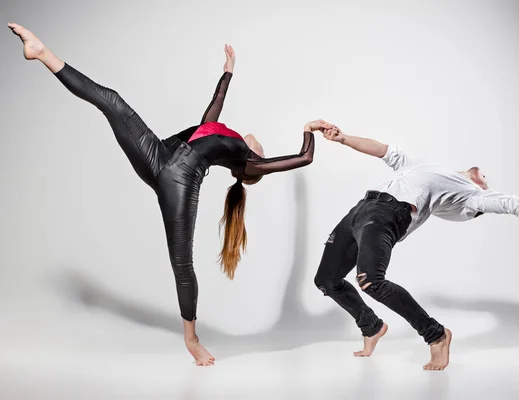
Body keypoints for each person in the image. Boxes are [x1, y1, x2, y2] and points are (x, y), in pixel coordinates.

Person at [8, 22, 333, 366]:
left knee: (182, 264)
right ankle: (41, 53)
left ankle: (191, 339)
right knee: (113, 103)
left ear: (249, 169)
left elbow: (304, 158)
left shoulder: (250, 164)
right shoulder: (218, 130)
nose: (259, 142)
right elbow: (215, 105)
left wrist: (308, 129)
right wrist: (228, 73)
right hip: (158, 154)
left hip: (179, 182)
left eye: (262, 150)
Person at [314, 124, 519, 370]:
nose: (484, 174)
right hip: (359, 211)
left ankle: (436, 335)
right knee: (326, 280)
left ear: (482, 189)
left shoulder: (471, 196)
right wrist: (343, 138)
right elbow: (383, 150)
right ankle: (371, 326)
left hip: (386, 215)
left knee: (371, 281)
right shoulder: (422, 165)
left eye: (487, 179)